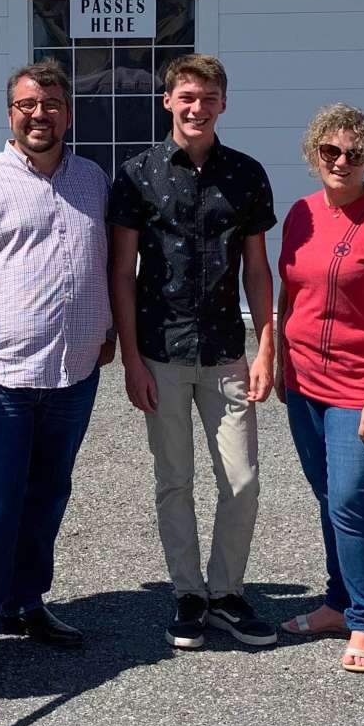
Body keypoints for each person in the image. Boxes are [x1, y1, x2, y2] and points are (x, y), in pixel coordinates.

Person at [0, 60, 114, 675]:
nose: (40, 114)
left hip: (74, 374)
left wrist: (107, 328)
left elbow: (105, 262)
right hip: (0, 376)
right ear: (10, 112)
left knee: (48, 495)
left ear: (68, 111)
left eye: (52, 103)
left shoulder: (93, 180)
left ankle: (27, 601)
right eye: (27, 104)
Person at [108, 54, 278, 650]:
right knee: (174, 479)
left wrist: (267, 346)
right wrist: (130, 358)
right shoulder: (136, 175)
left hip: (228, 350)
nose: (196, 107)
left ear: (223, 104)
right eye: (185, 96)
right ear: (167, 101)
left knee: (243, 479)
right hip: (160, 351)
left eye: (207, 97)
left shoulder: (247, 175)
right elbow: (121, 271)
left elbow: (257, 268)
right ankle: (187, 592)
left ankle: (227, 592)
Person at [274, 104, 364, 675]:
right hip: (306, 383)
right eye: (330, 151)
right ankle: (337, 601)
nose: (341, 161)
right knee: (327, 497)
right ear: (314, 154)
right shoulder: (302, 215)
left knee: (350, 500)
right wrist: (284, 362)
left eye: (354, 153)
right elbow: (291, 295)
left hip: (361, 388)